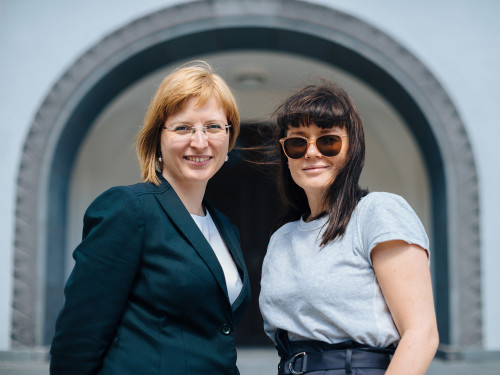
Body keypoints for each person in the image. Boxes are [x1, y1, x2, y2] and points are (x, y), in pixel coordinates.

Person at [50, 62, 251, 375]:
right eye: (183, 127)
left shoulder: (225, 227)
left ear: (228, 138)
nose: (200, 142)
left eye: (213, 127)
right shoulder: (129, 209)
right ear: (158, 138)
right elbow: (80, 336)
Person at [259, 82, 439, 375]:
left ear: (351, 148)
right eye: (298, 143)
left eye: (328, 141)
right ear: (286, 154)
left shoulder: (376, 212)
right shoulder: (283, 236)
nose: (312, 152)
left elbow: (421, 334)